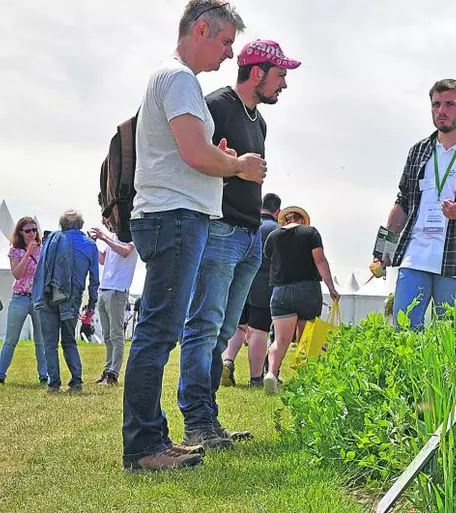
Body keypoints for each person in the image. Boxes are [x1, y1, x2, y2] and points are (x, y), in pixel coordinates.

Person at [122, 0, 263, 472]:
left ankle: (155, 438)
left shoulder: (174, 79)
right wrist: (237, 165)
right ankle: (144, 447)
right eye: (225, 42)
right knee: (158, 334)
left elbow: (194, 152)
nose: (228, 54)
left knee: (161, 332)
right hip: (174, 218)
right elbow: (196, 155)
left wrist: (213, 156)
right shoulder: (179, 78)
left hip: (173, 217)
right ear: (200, 28)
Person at [178, 40, 299, 450]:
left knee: (225, 330)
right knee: (204, 327)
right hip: (218, 231)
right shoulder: (218, 105)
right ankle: (196, 423)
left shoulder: (258, 122)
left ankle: (209, 422)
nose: (284, 83)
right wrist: (232, 168)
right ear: (258, 72)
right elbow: (190, 158)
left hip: (248, 238)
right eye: (280, 74)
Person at [379, 79, 456, 330]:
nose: (441, 110)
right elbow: (402, 201)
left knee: (446, 334)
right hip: (415, 255)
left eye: (449, 104)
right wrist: (384, 249)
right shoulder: (418, 151)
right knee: (404, 330)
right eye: (436, 104)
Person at [263, 206, 340, 394]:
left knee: (280, 340)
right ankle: (306, 380)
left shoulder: (273, 236)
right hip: (308, 289)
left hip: (280, 291)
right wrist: (331, 287)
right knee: (307, 338)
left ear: (284, 221)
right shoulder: (310, 233)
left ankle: (271, 374)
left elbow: (268, 257)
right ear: (303, 220)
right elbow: (320, 260)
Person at [32, 210, 99, 394]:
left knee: (50, 343)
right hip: (72, 297)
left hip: (48, 293)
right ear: (81, 224)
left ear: (61, 224)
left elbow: (41, 270)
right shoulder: (89, 245)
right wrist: (92, 303)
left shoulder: (52, 241)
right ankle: (76, 380)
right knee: (69, 340)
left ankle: (54, 384)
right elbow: (94, 279)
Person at [222, 192, 282, 388]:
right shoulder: (276, 230)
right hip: (262, 285)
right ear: (278, 211)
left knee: (239, 327)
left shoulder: (248, 223)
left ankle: (228, 361)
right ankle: (255, 378)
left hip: (238, 281)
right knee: (259, 330)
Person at [0, 217, 47, 384]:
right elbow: (17, 274)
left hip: (37, 299)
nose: (33, 233)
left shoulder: (43, 249)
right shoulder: (15, 251)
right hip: (19, 297)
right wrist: (28, 254)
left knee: (40, 340)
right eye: (28, 231)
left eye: (35, 230)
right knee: (11, 340)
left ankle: (44, 375)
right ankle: (1, 373)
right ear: (21, 232)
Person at [90, 223, 137, 385]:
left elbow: (125, 252)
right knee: (107, 335)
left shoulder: (131, 236)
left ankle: (113, 374)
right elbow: (103, 260)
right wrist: (93, 244)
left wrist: (104, 238)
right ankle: (107, 371)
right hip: (105, 289)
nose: (106, 223)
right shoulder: (114, 238)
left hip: (118, 290)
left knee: (116, 334)